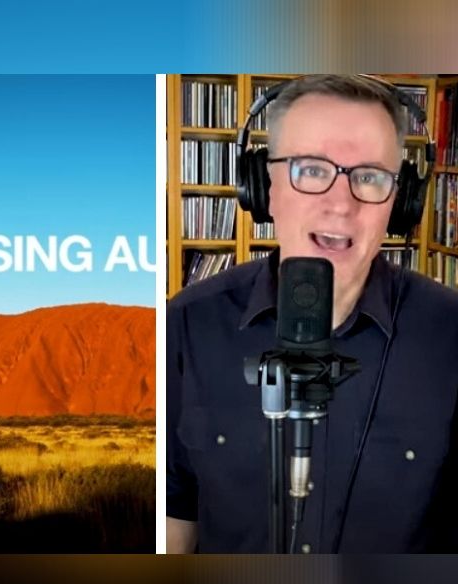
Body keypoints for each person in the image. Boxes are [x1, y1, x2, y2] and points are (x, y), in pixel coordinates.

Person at [168, 75, 458, 553]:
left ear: (401, 203)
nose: (340, 204)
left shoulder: (451, 335)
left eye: (369, 176)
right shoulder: (186, 325)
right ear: (263, 188)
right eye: (310, 169)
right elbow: (173, 517)